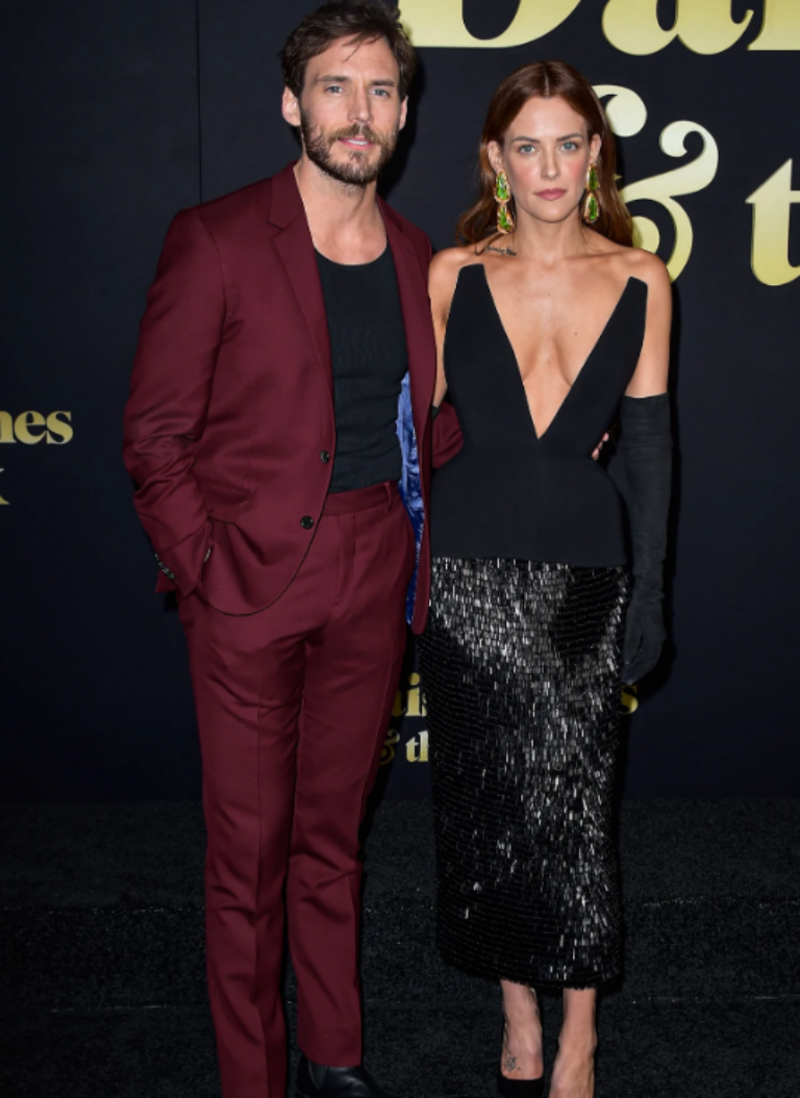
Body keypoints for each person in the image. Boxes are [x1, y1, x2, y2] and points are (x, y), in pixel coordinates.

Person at [123, 4, 458, 1097]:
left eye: (379, 91)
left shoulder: (415, 255)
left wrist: (550, 422)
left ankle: (335, 1055)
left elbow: (434, 425)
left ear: (402, 114)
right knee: (248, 857)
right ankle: (254, 1078)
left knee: (332, 838)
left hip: (375, 566)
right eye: (334, 87)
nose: (358, 112)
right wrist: (206, 570)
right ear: (291, 103)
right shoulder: (216, 237)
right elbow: (154, 434)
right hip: (250, 582)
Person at [419, 61, 672, 1098]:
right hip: (465, 574)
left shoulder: (641, 277)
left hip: (585, 575)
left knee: (573, 807)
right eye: (527, 146)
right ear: (496, 159)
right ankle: (516, 1010)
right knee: (488, 804)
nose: (550, 166)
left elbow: (649, 450)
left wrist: (651, 593)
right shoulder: (450, 275)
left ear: (595, 154)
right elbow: (413, 427)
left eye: (568, 144)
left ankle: (580, 1035)